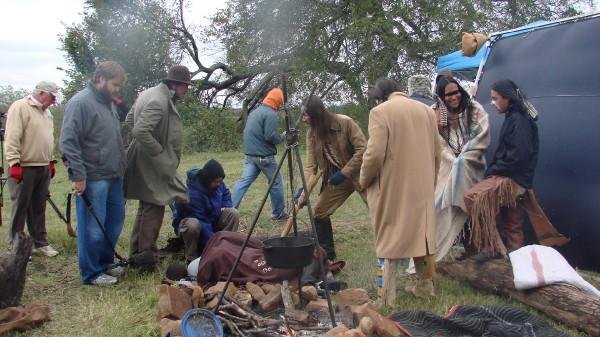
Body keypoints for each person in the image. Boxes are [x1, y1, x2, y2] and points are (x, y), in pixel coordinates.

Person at [464, 79, 568, 260]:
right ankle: (516, 264)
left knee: (474, 197)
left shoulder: (519, 120)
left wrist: (493, 171)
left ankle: (492, 247)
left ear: (508, 98)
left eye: (496, 99)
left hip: (511, 180)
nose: (493, 103)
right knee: (512, 224)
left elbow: (517, 158)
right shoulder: (516, 117)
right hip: (519, 181)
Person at [360, 78, 440, 303]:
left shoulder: (380, 112)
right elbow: (437, 153)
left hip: (392, 186)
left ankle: (386, 295)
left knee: (389, 238)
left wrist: (364, 179)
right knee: (422, 238)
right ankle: (426, 289)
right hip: (422, 185)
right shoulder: (426, 111)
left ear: (381, 96)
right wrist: (430, 182)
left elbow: (374, 154)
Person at [60, 61, 127, 285]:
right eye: (114, 84)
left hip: (114, 175)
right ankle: (91, 273)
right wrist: (78, 176)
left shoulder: (109, 103)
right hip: (93, 177)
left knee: (114, 223)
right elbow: (68, 142)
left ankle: (106, 264)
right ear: (100, 79)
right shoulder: (80, 103)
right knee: (92, 229)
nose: (117, 89)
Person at [125, 65, 191, 265]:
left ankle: (137, 255)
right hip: (152, 161)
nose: (187, 90)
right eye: (185, 86)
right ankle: (146, 256)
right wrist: (159, 152)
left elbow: (129, 120)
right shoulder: (159, 100)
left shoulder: (149, 93)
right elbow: (140, 130)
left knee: (146, 206)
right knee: (156, 205)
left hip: (144, 158)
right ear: (176, 84)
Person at [299, 95, 367, 262]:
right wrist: (303, 193)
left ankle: (394, 251)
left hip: (360, 173)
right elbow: (310, 167)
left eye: (306, 115)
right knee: (320, 212)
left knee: (380, 210)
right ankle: (327, 255)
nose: (303, 120)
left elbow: (363, 149)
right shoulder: (311, 134)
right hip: (336, 178)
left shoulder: (345, 123)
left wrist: (345, 172)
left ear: (315, 115)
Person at [431, 75, 490, 261]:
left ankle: (479, 250)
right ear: (441, 96)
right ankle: (436, 251)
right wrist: (452, 159)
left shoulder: (474, 109)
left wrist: (463, 158)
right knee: (441, 204)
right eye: (447, 95)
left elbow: (481, 136)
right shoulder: (435, 113)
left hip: (472, 166)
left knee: (472, 207)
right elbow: (437, 142)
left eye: (456, 92)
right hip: (447, 167)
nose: (453, 97)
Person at [5, 81, 60, 257]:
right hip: (24, 166)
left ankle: (40, 243)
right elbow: (12, 135)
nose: (53, 101)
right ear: (42, 93)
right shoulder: (20, 106)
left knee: (39, 206)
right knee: (20, 206)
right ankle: (16, 247)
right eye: (52, 97)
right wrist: (14, 163)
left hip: (42, 165)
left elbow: (47, 138)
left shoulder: (47, 112)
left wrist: (50, 161)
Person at [231, 88, 286, 220]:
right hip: (264, 157)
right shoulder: (271, 114)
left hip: (250, 156)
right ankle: (278, 214)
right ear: (278, 102)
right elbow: (270, 136)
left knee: (243, 182)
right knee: (276, 182)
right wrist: (283, 137)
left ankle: (229, 210)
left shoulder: (255, 112)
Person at [172, 159, 240, 263]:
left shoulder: (217, 182)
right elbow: (203, 223)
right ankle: (192, 258)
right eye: (216, 182)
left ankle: (227, 247)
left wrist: (225, 206)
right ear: (207, 180)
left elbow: (226, 194)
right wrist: (214, 247)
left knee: (233, 213)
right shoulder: (192, 194)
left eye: (220, 181)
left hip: (211, 219)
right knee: (192, 225)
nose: (218, 184)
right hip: (191, 226)